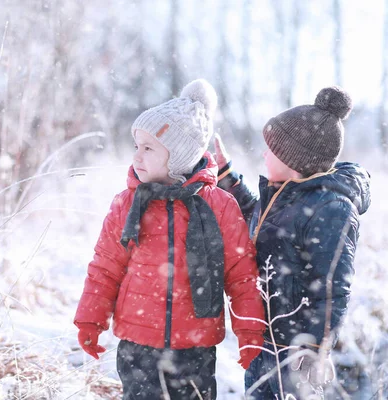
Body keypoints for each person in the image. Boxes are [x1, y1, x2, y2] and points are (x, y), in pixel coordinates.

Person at [74, 79, 266, 400]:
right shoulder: (128, 203)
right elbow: (105, 267)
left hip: (196, 344)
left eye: (149, 148)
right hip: (137, 343)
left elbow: (241, 275)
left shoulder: (219, 205)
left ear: (179, 156)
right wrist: (90, 320)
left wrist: (249, 332)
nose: (137, 156)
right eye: (137, 146)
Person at [213, 86, 371, 399]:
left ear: (294, 160)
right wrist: (226, 174)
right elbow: (259, 220)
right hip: (264, 341)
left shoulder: (330, 209)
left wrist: (313, 347)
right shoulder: (285, 193)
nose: (263, 154)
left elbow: (332, 289)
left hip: (294, 355)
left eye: (270, 149)